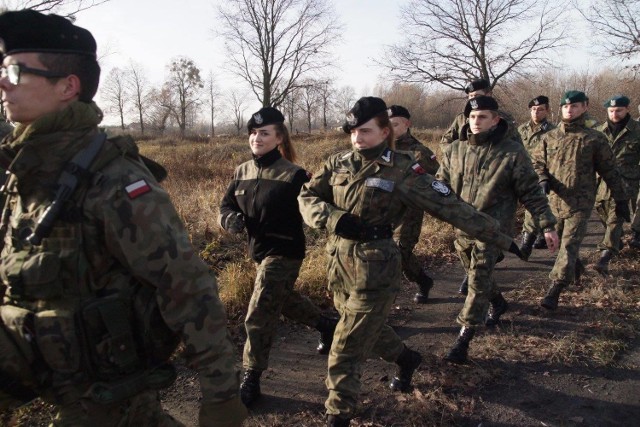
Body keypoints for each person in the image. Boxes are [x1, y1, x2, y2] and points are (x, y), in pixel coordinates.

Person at [0, 10, 246, 426]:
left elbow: (187, 286)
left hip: (105, 400)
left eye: (15, 70)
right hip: (42, 380)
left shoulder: (113, 180)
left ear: (67, 86)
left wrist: (221, 398)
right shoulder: (24, 172)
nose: (3, 81)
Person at [298, 96, 524, 427]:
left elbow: (452, 207)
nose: (357, 138)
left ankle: (338, 413)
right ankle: (407, 359)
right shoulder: (338, 163)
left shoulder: (404, 169)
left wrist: (503, 239)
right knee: (367, 332)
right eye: (352, 131)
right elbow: (307, 196)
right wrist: (332, 218)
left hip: (376, 269)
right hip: (338, 264)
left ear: (384, 130)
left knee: (345, 345)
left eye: (365, 130)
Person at [218, 106, 337, 407]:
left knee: (259, 312)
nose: (257, 138)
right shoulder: (241, 171)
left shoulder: (295, 175)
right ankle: (326, 325)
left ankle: (251, 376)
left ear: (279, 137)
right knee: (283, 301)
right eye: (254, 133)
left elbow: (316, 206)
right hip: (258, 252)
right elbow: (225, 206)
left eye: (264, 133)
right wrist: (229, 219)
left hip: (285, 251)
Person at [437, 96, 559, 364]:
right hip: (463, 228)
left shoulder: (512, 152)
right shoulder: (454, 150)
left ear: (496, 120)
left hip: (493, 230)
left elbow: (532, 193)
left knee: (478, 280)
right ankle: (500, 303)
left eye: (482, 117)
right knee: (474, 273)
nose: (476, 122)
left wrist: (548, 225)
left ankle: (463, 338)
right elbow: (440, 186)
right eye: (471, 117)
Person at [531, 90, 629, 310]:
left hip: (580, 203)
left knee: (568, 244)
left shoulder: (594, 139)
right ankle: (576, 269)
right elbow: (536, 163)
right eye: (566, 106)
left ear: (585, 107)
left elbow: (610, 171)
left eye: (574, 106)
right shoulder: (549, 137)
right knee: (558, 246)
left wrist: (621, 199)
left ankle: (555, 288)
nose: (569, 110)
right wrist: (542, 179)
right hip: (554, 202)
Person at [388, 105, 439, 303]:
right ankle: (423, 280)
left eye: (395, 124)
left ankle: (383, 310)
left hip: (408, 212)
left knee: (399, 252)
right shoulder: (381, 148)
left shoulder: (420, 153)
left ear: (407, 124)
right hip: (383, 210)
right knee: (390, 253)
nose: (390, 129)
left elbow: (433, 181)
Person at [592, 95, 640, 274]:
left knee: (615, 215)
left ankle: (605, 256)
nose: (614, 114)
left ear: (627, 109)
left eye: (618, 110)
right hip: (601, 182)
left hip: (626, 181)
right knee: (602, 211)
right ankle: (616, 241)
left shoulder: (637, 130)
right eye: (611, 111)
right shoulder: (598, 132)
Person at [518, 96, 556, 258]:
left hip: (543, 176)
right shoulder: (521, 130)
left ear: (547, 111)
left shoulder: (553, 131)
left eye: (540, 109)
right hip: (522, 174)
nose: (536, 112)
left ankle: (526, 243)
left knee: (533, 208)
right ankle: (536, 235)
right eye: (533, 109)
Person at [440, 78, 520, 145]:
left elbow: (517, 146)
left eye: (477, 95)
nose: (473, 99)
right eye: (471, 96)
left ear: (489, 94)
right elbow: (445, 141)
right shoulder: (461, 118)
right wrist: (456, 156)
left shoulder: (504, 119)